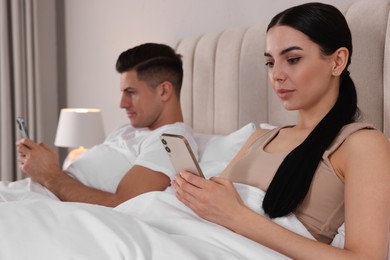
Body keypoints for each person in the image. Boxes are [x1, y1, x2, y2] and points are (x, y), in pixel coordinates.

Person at [173, 3, 390, 259]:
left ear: (337, 61)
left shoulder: (362, 144)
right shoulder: (258, 138)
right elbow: (216, 211)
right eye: (269, 62)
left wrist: (238, 217)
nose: (276, 74)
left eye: (293, 59)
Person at [16, 43, 197, 207]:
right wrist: (43, 166)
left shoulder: (171, 139)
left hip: (40, 205)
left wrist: (49, 174)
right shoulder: (126, 130)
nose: (122, 104)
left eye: (131, 92)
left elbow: (123, 204)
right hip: (25, 194)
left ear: (164, 91)